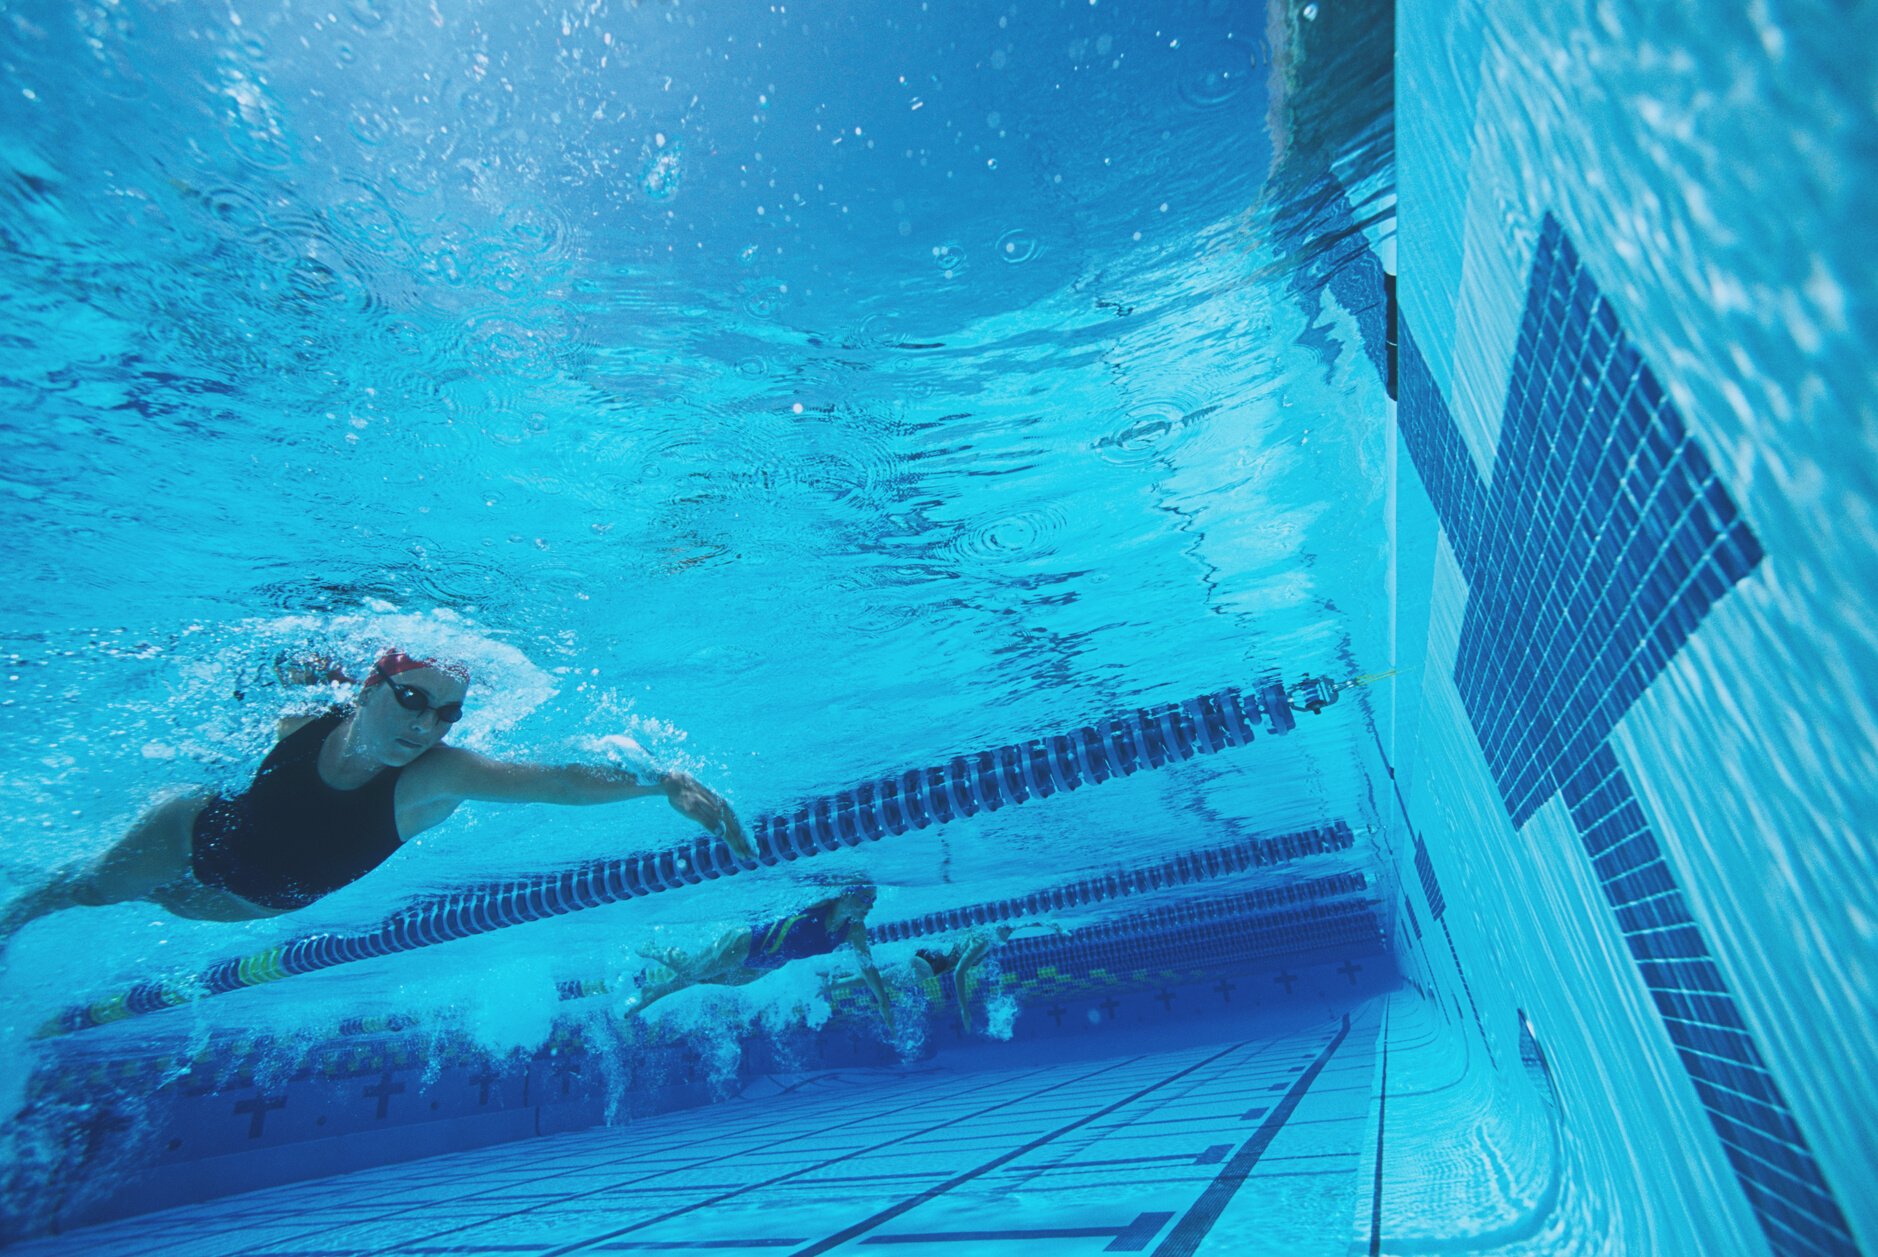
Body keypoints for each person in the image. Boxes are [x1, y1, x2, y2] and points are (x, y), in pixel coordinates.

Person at [0, 648, 749, 946]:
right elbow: (267, 674)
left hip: (248, 899)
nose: (427, 724)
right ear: (368, 687)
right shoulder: (308, 717)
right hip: (189, 830)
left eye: (447, 712)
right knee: (95, 889)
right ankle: (14, 916)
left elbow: (551, 780)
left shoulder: (433, 778)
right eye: (414, 698)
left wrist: (662, 784)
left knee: (163, 902)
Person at [626, 883, 893, 1026]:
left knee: (703, 978)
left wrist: (882, 1001)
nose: (870, 906)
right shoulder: (820, 903)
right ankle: (654, 957)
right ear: (846, 896)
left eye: (873, 901)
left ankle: (655, 984)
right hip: (746, 942)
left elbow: (867, 966)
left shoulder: (854, 930)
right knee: (694, 971)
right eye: (865, 899)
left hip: (766, 965)